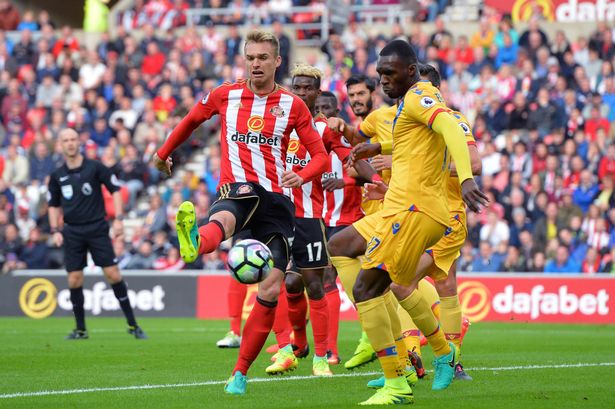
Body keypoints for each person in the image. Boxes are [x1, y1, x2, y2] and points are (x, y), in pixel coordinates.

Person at [152, 30, 329, 395]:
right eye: (250, 58)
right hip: (239, 188)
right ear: (244, 60)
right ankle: (196, 240)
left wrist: (303, 173)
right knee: (226, 217)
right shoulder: (225, 94)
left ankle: (240, 372)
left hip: (279, 201)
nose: (256, 64)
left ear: (277, 61)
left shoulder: (292, 105)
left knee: (270, 288)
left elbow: (321, 156)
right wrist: (162, 152)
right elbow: (189, 120)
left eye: (263, 57)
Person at [328, 40, 487, 405]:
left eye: (390, 73)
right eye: (380, 73)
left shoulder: (421, 96)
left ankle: (397, 378)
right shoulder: (404, 107)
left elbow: (447, 126)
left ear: (412, 72)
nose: (383, 80)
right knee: (342, 249)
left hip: (416, 213)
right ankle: (438, 352)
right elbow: (414, 144)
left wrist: (465, 178)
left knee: (371, 289)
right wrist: (376, 147)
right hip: (396, 209)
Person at [355, 63, 482, 382]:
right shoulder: (409, 125)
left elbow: (475, 163)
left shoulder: (453, 119)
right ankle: (433, 359)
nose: (415, 95)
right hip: (416, 210)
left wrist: (455, 175)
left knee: (409, 282)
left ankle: (433, 359)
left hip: (447, 214)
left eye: (422, 88)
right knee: (419, 283)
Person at [267, 65, 377, 376]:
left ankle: (321, 355)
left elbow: (350, 158)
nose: (301, 92)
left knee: (315, 285)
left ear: (318, 92)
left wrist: (374, 179)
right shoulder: (275, 124)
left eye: (307, 88)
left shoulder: (323, 129)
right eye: (296, 87)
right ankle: (290, 349)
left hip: (309, 216)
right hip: (276, 216)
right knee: (281, 282)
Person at [47, 129, 147, 340]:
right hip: (72, 230)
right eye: (66, 140)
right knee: (74, 279)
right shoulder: (57, 176)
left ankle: (133, 325)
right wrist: (55, 230)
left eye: (73, 139)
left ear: (79, 142)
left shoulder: (95, 167)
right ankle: (80, 329)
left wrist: (119, 219)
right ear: (60, 144)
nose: (70, 143)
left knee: (113, 274)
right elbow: (53, 205)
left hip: (97, 228)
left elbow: (116, 190)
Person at [316, 90, 364, 364]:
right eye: (319, 107)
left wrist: (343, 183)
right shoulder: (310, 134)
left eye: (328, 107)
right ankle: (327, 349)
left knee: (363, 286)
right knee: (323, 279)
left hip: (349, 217)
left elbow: (367, 171)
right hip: (321, 218)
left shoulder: (346, 137)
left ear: (337, 108)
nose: (323, 112)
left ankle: (393, 336)